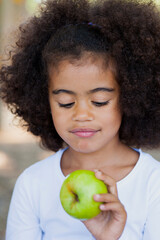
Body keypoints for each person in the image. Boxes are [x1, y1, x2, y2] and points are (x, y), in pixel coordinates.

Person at [0, 0, 160, 239]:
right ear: (44, 101)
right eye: (65, 102)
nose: (82, 115)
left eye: (99, 101)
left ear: (130, 96)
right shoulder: (32, 184)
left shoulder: (153, 183)